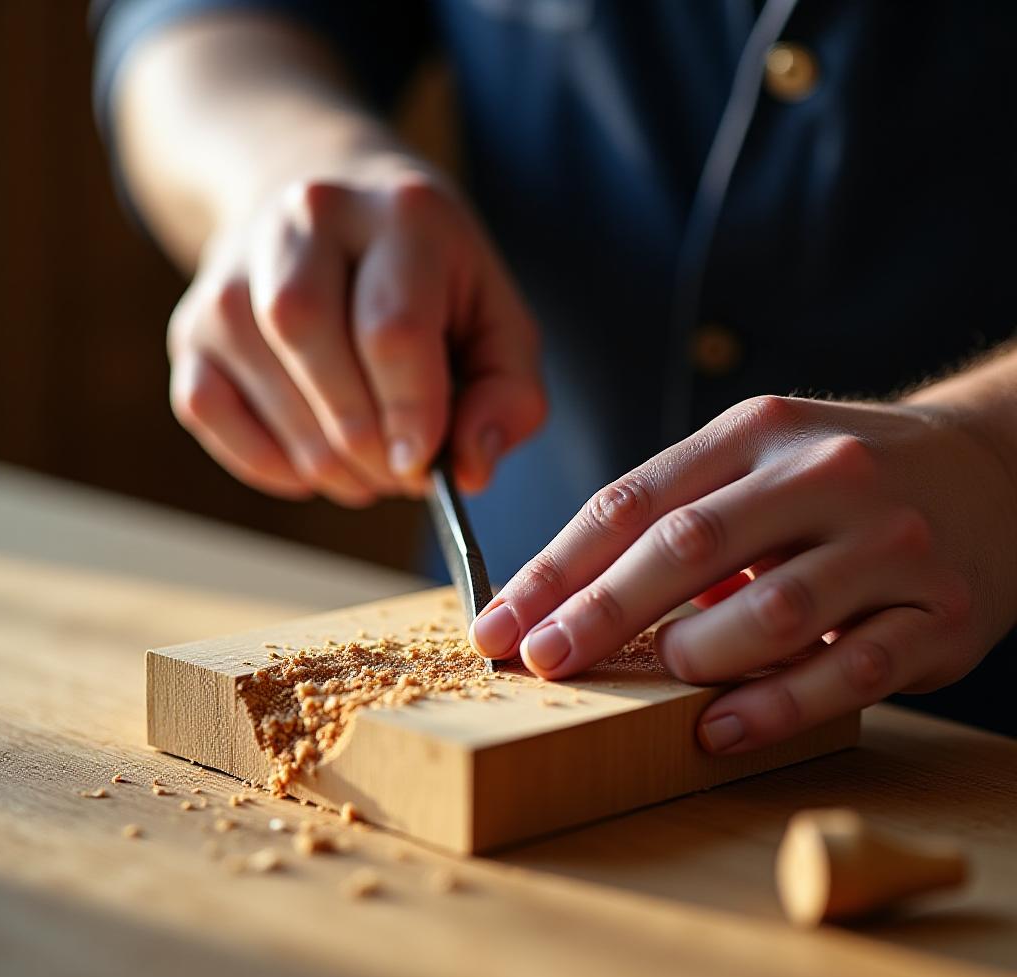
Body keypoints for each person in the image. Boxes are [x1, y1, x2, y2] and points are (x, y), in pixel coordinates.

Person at [92, 1, 1017, 750]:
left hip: (969, 729)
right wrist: (280, 168)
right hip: (518, 642)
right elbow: (203, 25)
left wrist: (993, 450)